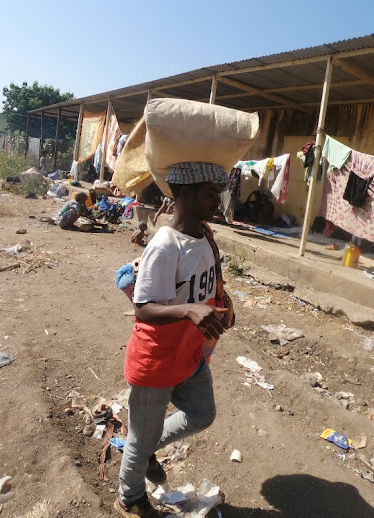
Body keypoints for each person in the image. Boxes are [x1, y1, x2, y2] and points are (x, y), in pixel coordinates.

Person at [115, 162, 229, 518]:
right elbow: (144, 310)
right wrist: (190, 311)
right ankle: (129, 498)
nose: (218, 198)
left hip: (190, 353)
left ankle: (149, 447)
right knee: (138, 438)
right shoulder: (165, 245)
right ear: (185, 193)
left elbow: (209, 284)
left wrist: (218, 309)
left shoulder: (205, 235)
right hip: (156, 360)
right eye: (210, 192)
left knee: (202, 415)